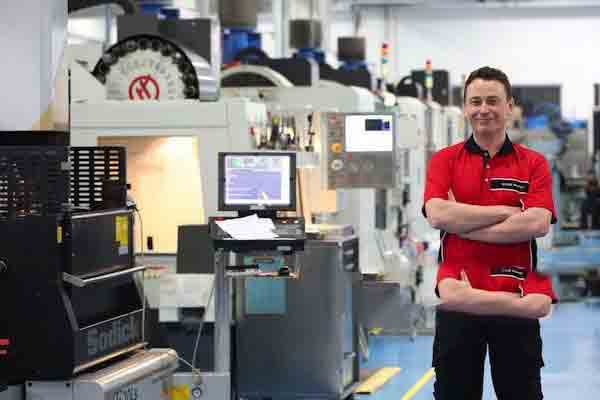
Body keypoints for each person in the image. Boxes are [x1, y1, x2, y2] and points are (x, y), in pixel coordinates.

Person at [422, 66, 557, 400]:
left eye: (493, 101)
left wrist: (463, 222)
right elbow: (438, 214)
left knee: (521, 393)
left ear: (509, 106)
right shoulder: (444, 161)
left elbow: (537, 223)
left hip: (514, 290)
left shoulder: (534, 163)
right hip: (466, 303)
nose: (484, 109)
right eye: (476, 101)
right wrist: (506, 213)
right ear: (466, 107)